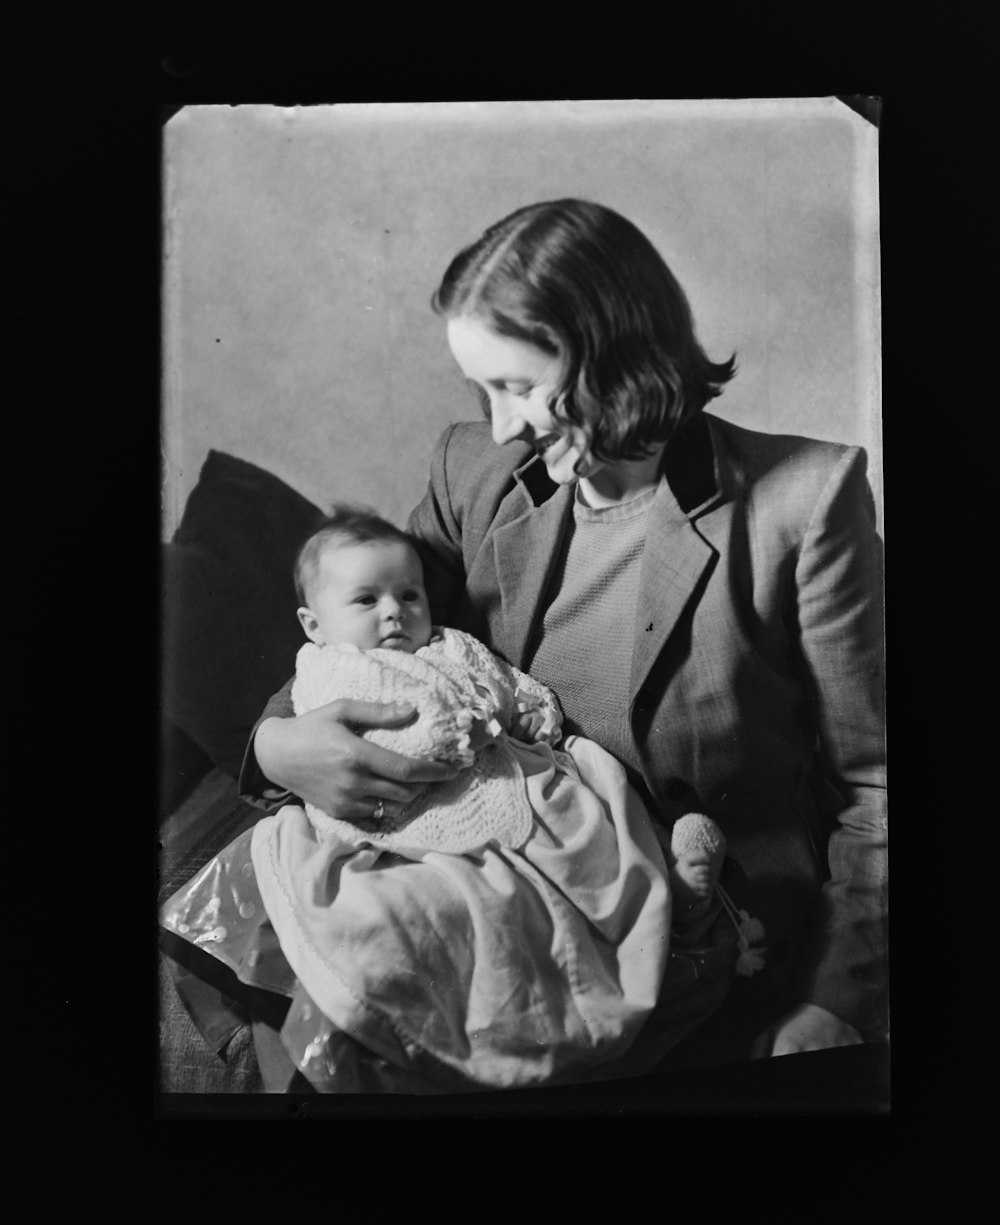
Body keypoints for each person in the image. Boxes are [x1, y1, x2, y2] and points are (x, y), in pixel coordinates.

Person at [241, 200, 886, 1072]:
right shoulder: (475, 468)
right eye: (483, 390)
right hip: (510, 905)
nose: (501, 426)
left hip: (714, 928)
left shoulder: (805, 503)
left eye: (517, 386)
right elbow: (365, 637)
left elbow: (874, 783)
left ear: (614, 357)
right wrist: (276, 741)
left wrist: (834, 997)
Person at [162, 506, 749, 1092]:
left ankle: (671, 915)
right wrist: (281, 741)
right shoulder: (333, 668)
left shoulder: (453, 644)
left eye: (408, 596)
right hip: (405, 814)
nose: (395, 611)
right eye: (366, 601)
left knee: (584, 839)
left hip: (506, 782)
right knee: (405, 912)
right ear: (313, 625)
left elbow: (511, 685)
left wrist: (533, 713)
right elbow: (387, 727)